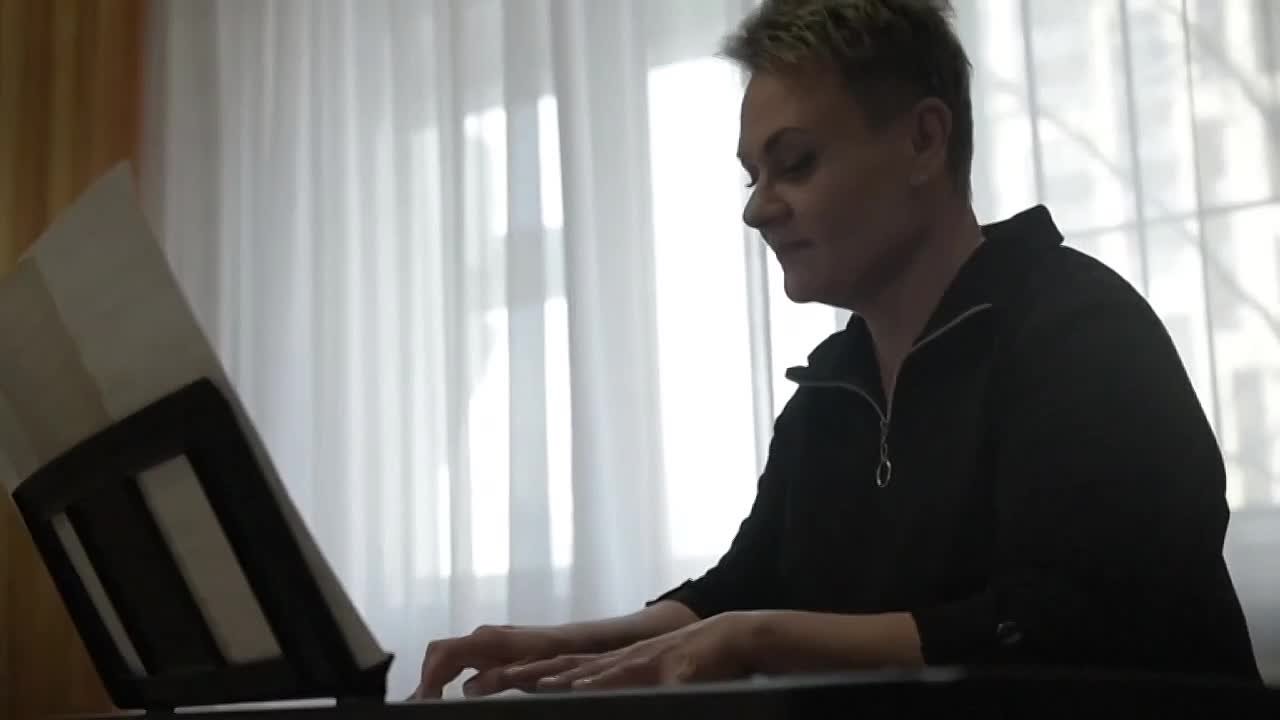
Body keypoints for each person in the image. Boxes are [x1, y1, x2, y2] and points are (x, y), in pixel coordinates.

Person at [413, 0, 1261, 698]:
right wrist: (561, 643)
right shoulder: (831, 390)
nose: (757, 209)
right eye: (753, 175)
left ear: (924, 141)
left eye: (795, 163)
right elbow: (742, 590)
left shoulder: (1082, 331)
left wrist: (756, 640)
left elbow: (1067, 620)